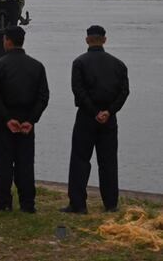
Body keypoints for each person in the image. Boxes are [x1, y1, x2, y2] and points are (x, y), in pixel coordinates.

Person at [61, 25, 129, 214]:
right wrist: (109, 111)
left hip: (86, 117)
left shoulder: (79, 63)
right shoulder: (119, 65)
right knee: (108, 162)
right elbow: (124, 92)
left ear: (87, 40)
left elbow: (78, 90)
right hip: (109, 119)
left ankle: (78, 204)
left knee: (80, 159)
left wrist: (93, 112)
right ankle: (110, 204)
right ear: (104, 40)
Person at [0, 25, 49, 213]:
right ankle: (28, 203)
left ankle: (4, 202)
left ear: (8, 41)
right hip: (27, 122)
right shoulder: (37, 66)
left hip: (4, 121)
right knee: (25, 163)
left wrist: (7, 118)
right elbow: (43, 96)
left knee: (3, 162)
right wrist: (31, 120)